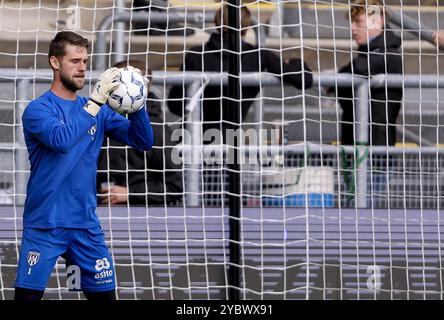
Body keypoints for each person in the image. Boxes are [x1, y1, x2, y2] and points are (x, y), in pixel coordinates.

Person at [14, 31, 153, 300]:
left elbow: (143, 141)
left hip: (85, 225)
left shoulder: (97, 110)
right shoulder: (38, 109)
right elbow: (61, 140)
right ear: (55, 62)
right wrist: (95, 102)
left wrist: (137, 101)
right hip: (45, 225)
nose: (82, 68)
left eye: (85, 61)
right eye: (75, 61)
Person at [168, 4, 313, 136]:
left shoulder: (195, 55)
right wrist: (295, 61)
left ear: (217, 22)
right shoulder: (259, 56)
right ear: (247, 26)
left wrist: (201, 112)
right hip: (230, 143)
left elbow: (174, 103)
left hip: (191, 139)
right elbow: (305, 79)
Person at [97, 60, 183, 206]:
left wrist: (130, 193)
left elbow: (174, 188)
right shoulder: (100, 122)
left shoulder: (158, 130)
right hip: (97, 212)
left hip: (141, 217)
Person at [333, 0, 403, 146]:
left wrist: (339, 77)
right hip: (356, 143)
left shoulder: (388, 54)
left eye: (358, 22)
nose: (352, 29)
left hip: (376, 150)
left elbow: (361, 67)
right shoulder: (369, 52)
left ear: (377, 21)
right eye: (352, 23)